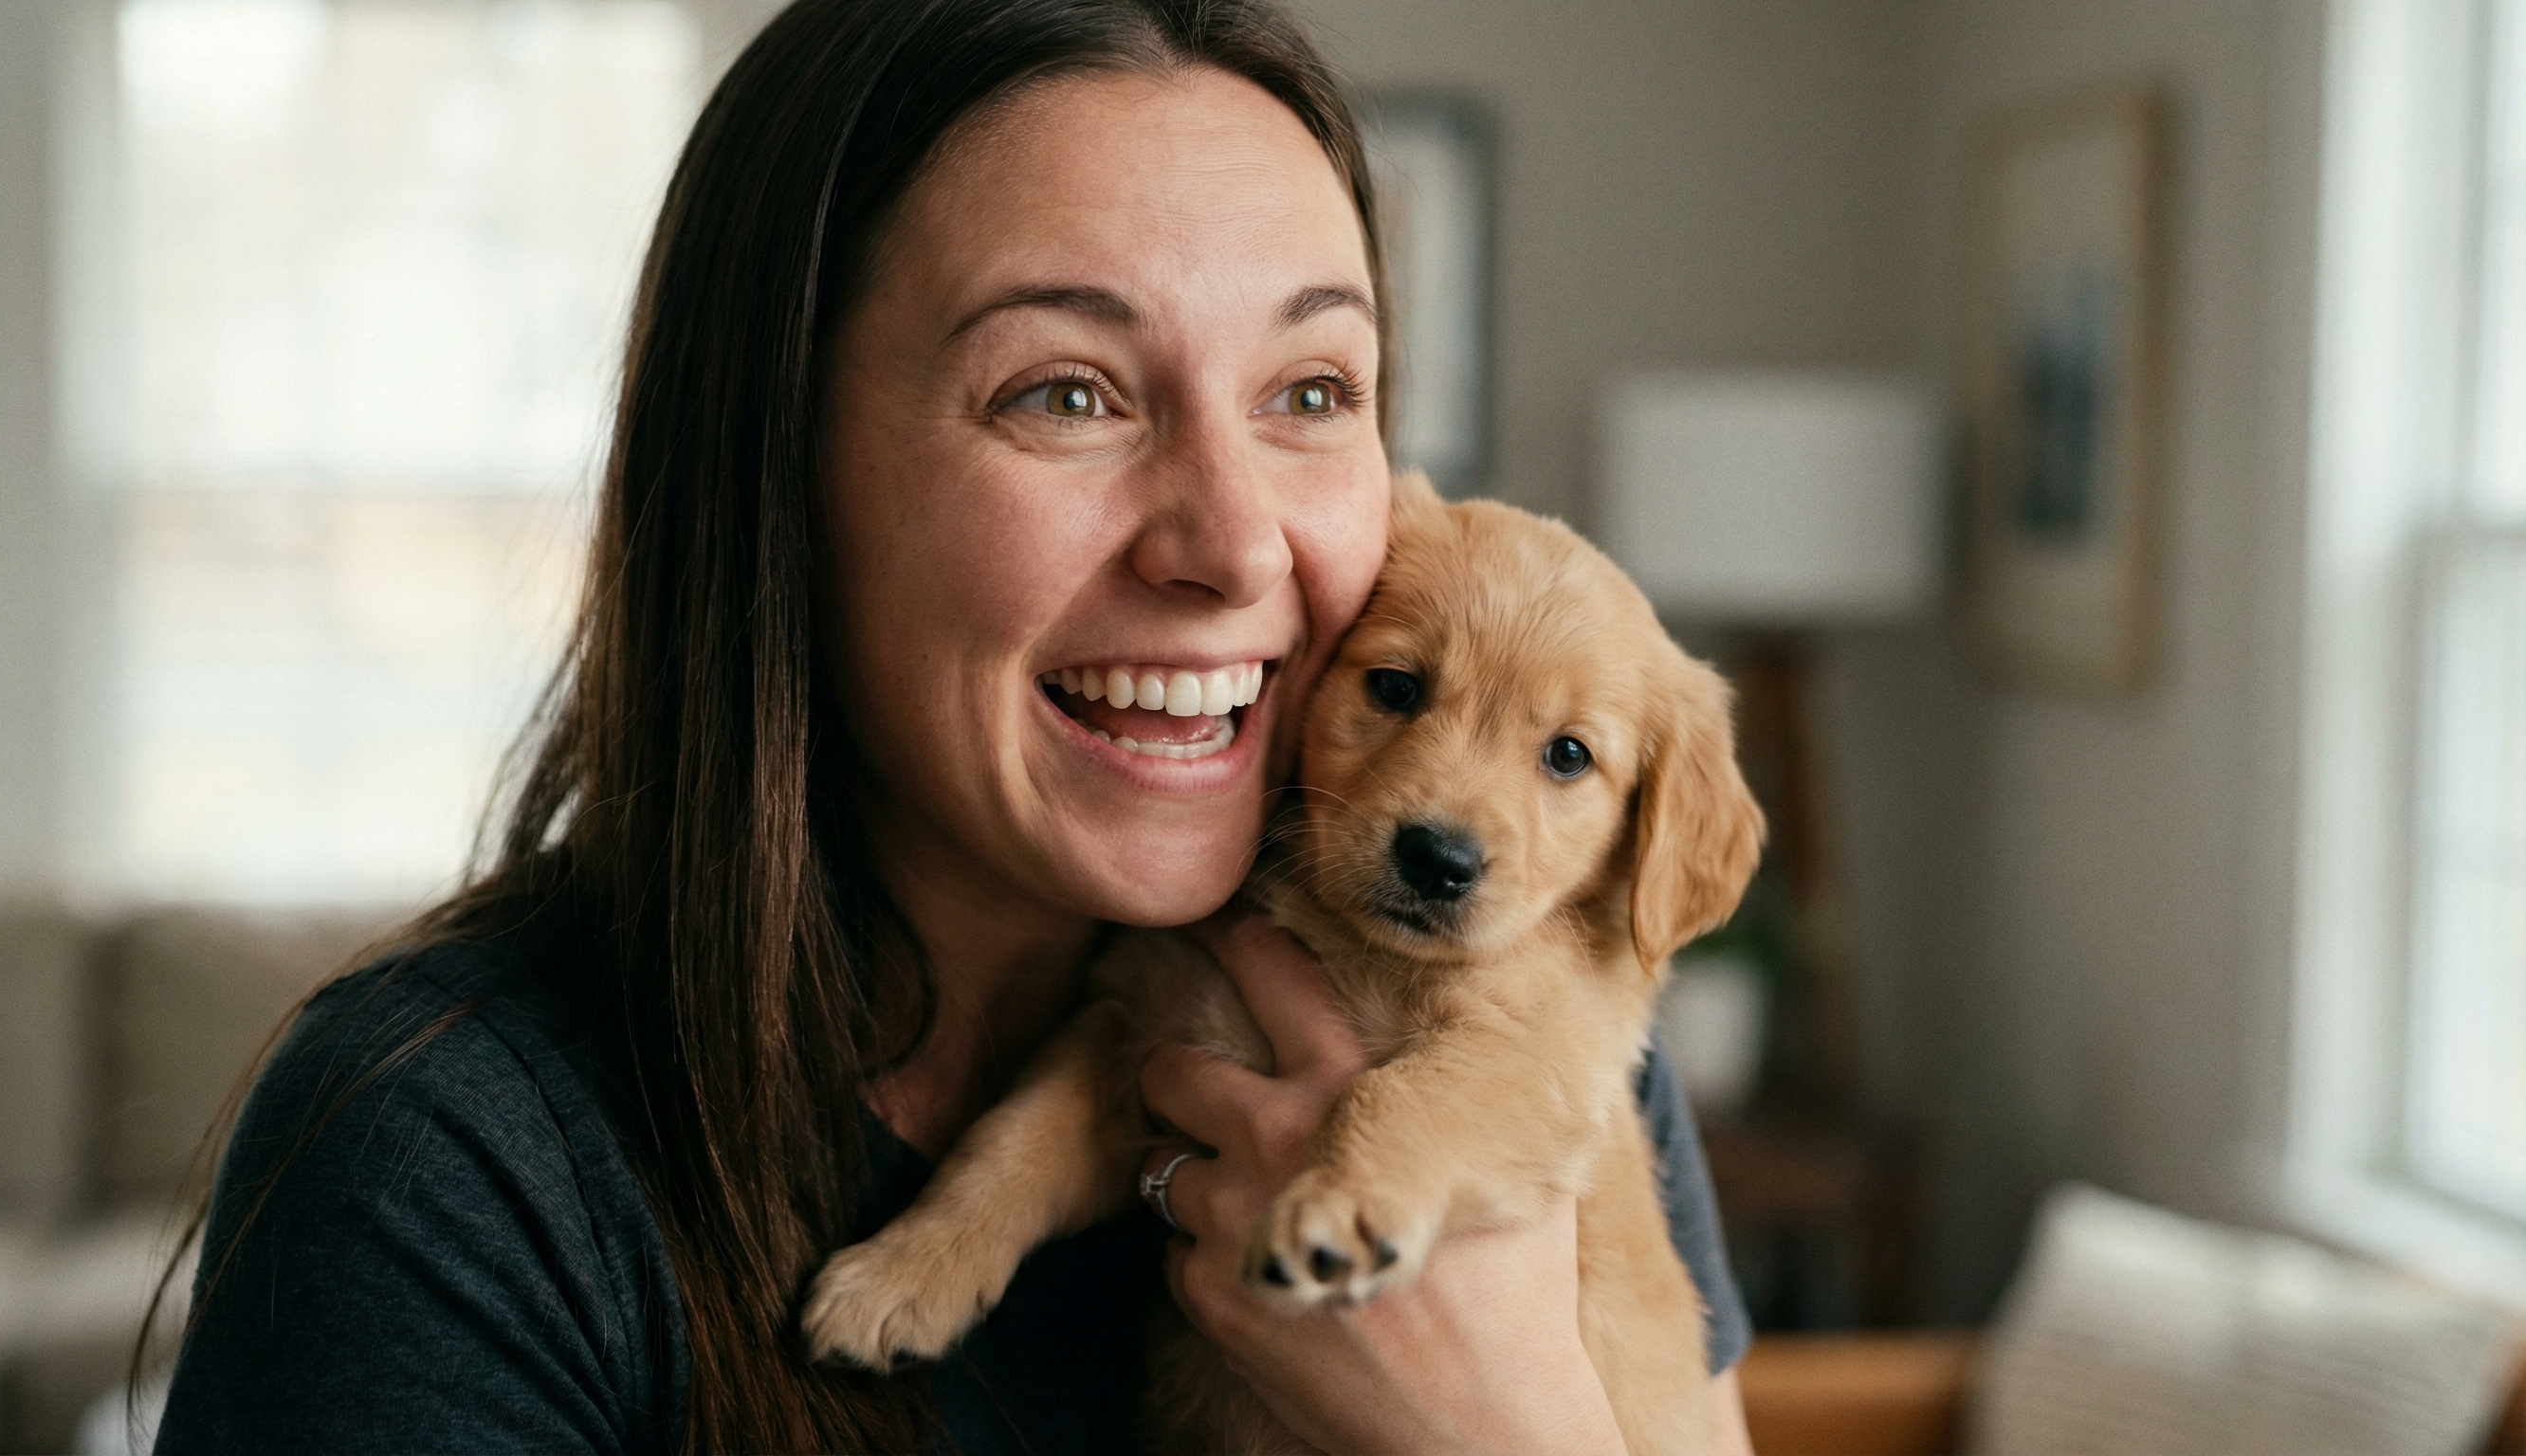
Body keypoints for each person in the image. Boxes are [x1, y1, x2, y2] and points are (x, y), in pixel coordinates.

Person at [150, 1, 1757, 1451]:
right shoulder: (450, 1169)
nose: (1235, 543)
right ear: (776, 469)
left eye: (1313, 391)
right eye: (1064, 391)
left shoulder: (1497, 986)